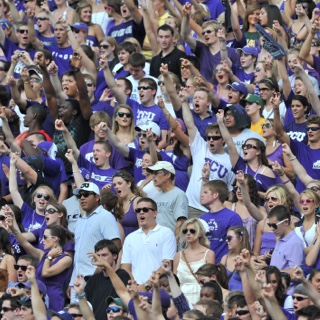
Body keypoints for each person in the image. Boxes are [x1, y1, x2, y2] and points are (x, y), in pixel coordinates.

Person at [8, 211, 72, 312]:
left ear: (55, 239)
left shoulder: (66, 258)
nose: (42, 240)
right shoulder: (43, 255)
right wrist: (12, 227)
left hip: (53, 298)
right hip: (38, 295)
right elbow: (24, 242)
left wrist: (49, 257)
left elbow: (46, 272)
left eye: (45, 237)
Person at [69, 182, 121, 302]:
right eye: (80, 195)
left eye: (86, 194)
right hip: (77, 280)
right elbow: (78, 253)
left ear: (97, 197)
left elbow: (116, 244)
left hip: (95, 278)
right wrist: (72, 281)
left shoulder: (105, 216)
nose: (82, 198)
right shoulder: (80, 220)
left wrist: (101, 268)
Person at [217, 109, 276, 195]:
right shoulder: (240, 165)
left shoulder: (267, 171)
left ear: (258, 151)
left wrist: (251, 192)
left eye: (249, 147)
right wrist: (220, 123)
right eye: (244, 146)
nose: (245, 149)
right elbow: (229, 142)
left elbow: (273, 195)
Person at [121, 197, 176, 286]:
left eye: (145, 209)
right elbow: (125, 267)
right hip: (136, 289)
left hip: (158, 288)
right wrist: (135, 286)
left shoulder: (166, 233)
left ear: (155, 213)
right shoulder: (130, 238)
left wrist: (146, 286)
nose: (141, 212)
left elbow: (167, 264)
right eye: (138, 210)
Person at [84, 240, 131, 320]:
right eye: (98, 255)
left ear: (115, 256)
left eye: (104, 255)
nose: (100, 259)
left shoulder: (122, 275)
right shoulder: (92, 280)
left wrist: (106, 265)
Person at [173, 218, 215, 305]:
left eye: (192, 231)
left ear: (200, 233)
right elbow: (174, 283)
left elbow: (211, 283)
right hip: (182, 300)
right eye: (185, 231)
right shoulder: (178, 256)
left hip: (201, 299)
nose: (188, 233)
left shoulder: (209, 254)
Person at [199, 180, 243, 263]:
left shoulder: (233, 217)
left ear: (215, 195)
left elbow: (239, 245)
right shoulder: (201, 218)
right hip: (203, 266)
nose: (202, 195)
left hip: (224, 266)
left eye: (205, 192)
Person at [268, 205, 304, 293]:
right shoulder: (280, 238)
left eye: (274, 225)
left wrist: (269, 271)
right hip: (277, 292)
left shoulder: (294, 243)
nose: (272, 229)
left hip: (287, 295)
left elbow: (295, 275)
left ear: (286, 222)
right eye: (269, 225)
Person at [146, 161, 188, 235]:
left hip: (171, 242)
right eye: (153, 173)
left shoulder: (179, 195)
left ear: (168, 175)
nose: (153, 176)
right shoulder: (156, 197)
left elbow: (181, 223)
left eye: (156, 173)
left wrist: (173, 244)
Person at [112, 170, 144, 237]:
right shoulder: (116, 203)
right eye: (114, 185)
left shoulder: (137, 201)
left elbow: (143, 229)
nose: (116, 187)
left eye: (120, 183)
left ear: (129, 184)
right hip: (120, 245)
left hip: (135, 243)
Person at [220, 226, 253, 291]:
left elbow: (254, 282)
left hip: (243, 297)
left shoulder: (250, 258)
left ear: (240, 239)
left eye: (229, 238)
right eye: (226, 238)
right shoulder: (224, 258)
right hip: (227, 297)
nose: (226, 241)